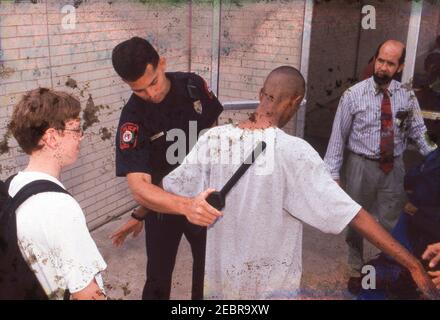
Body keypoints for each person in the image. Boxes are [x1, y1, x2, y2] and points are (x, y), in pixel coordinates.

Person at [162, 66, 439, 299]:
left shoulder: (213, 139)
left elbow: (173, 190)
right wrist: (412, 264)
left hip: (219, 285)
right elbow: (351, 213)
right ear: (295, 102)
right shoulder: (294, 152)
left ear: (261, 94)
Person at [110, 37, 223, 300]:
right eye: (138, 90)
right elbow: (140, 187)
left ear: (162, 63)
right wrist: (150, 211)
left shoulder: (193, 85)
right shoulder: (133, 118)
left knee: (207, 274)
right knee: (158, 278)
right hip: (163, 209)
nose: (150, 95)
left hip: (205, 198)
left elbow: (213, 132)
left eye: (153, 83)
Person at [324, 40, 438, 276]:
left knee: (393, 221)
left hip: (394, 168)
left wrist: (436, 157)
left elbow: (418, 131)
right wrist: (332, 176)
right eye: (380, 61)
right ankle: (356, 267)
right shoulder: (352, 95)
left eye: (390, 63)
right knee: (355, 218)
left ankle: (390, 266)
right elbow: (337, 139)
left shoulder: (406, 96)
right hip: (359, 165)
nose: (383, 68)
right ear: (374, 60)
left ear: (400, 66)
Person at [6, 88, 107, 300]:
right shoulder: (59, 208)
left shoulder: (12, 186)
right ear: (52, 138)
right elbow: (88, 294)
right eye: (76, 130)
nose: (81, 136)